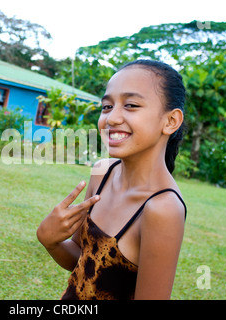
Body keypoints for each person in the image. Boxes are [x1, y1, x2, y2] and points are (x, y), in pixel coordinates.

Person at [37, 60, 187, 300]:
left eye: (131, 105)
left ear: (170, 121)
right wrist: (50, 241)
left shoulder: (162, 209)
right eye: (107, 106)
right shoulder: (102, 173)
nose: (112, 118)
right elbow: (83, 258)